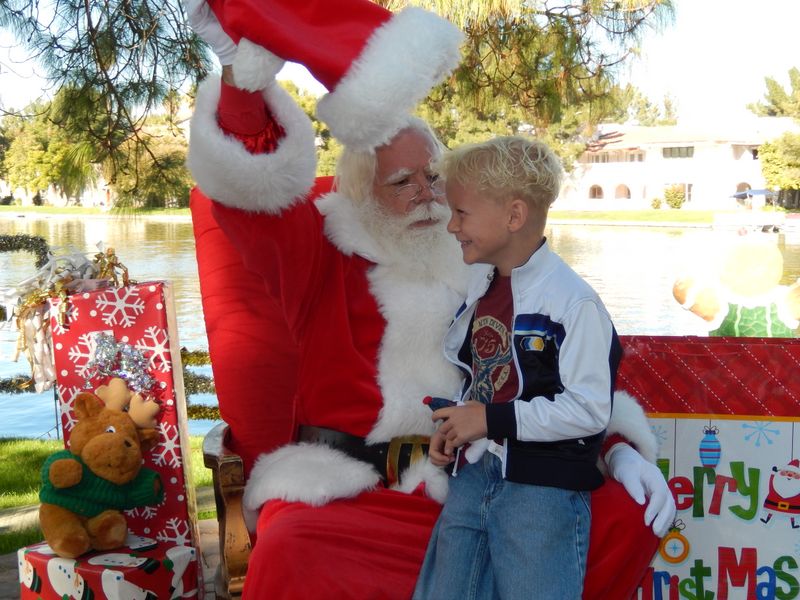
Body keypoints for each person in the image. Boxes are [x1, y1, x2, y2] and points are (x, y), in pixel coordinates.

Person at [186, 2, 676, 598]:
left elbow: (555, 363)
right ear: (362, 193)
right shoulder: (320, 252)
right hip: (355, 494)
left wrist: (618, 449)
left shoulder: (487, 249)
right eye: (401, 183)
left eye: (434, 177)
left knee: (619, 515)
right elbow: (252, 190)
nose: (425, 195)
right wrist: (243, 76)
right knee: (293, 547)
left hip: (483, 476)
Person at [413, 136, 620, 599]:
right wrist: (460, 424)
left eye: (462, 213)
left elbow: (588, 410)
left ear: (513, 216)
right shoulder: (482, 287)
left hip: (541, 495)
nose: (451, 226)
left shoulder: (574, 303)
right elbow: (489, 378)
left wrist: (489, 419)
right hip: (476, 473)